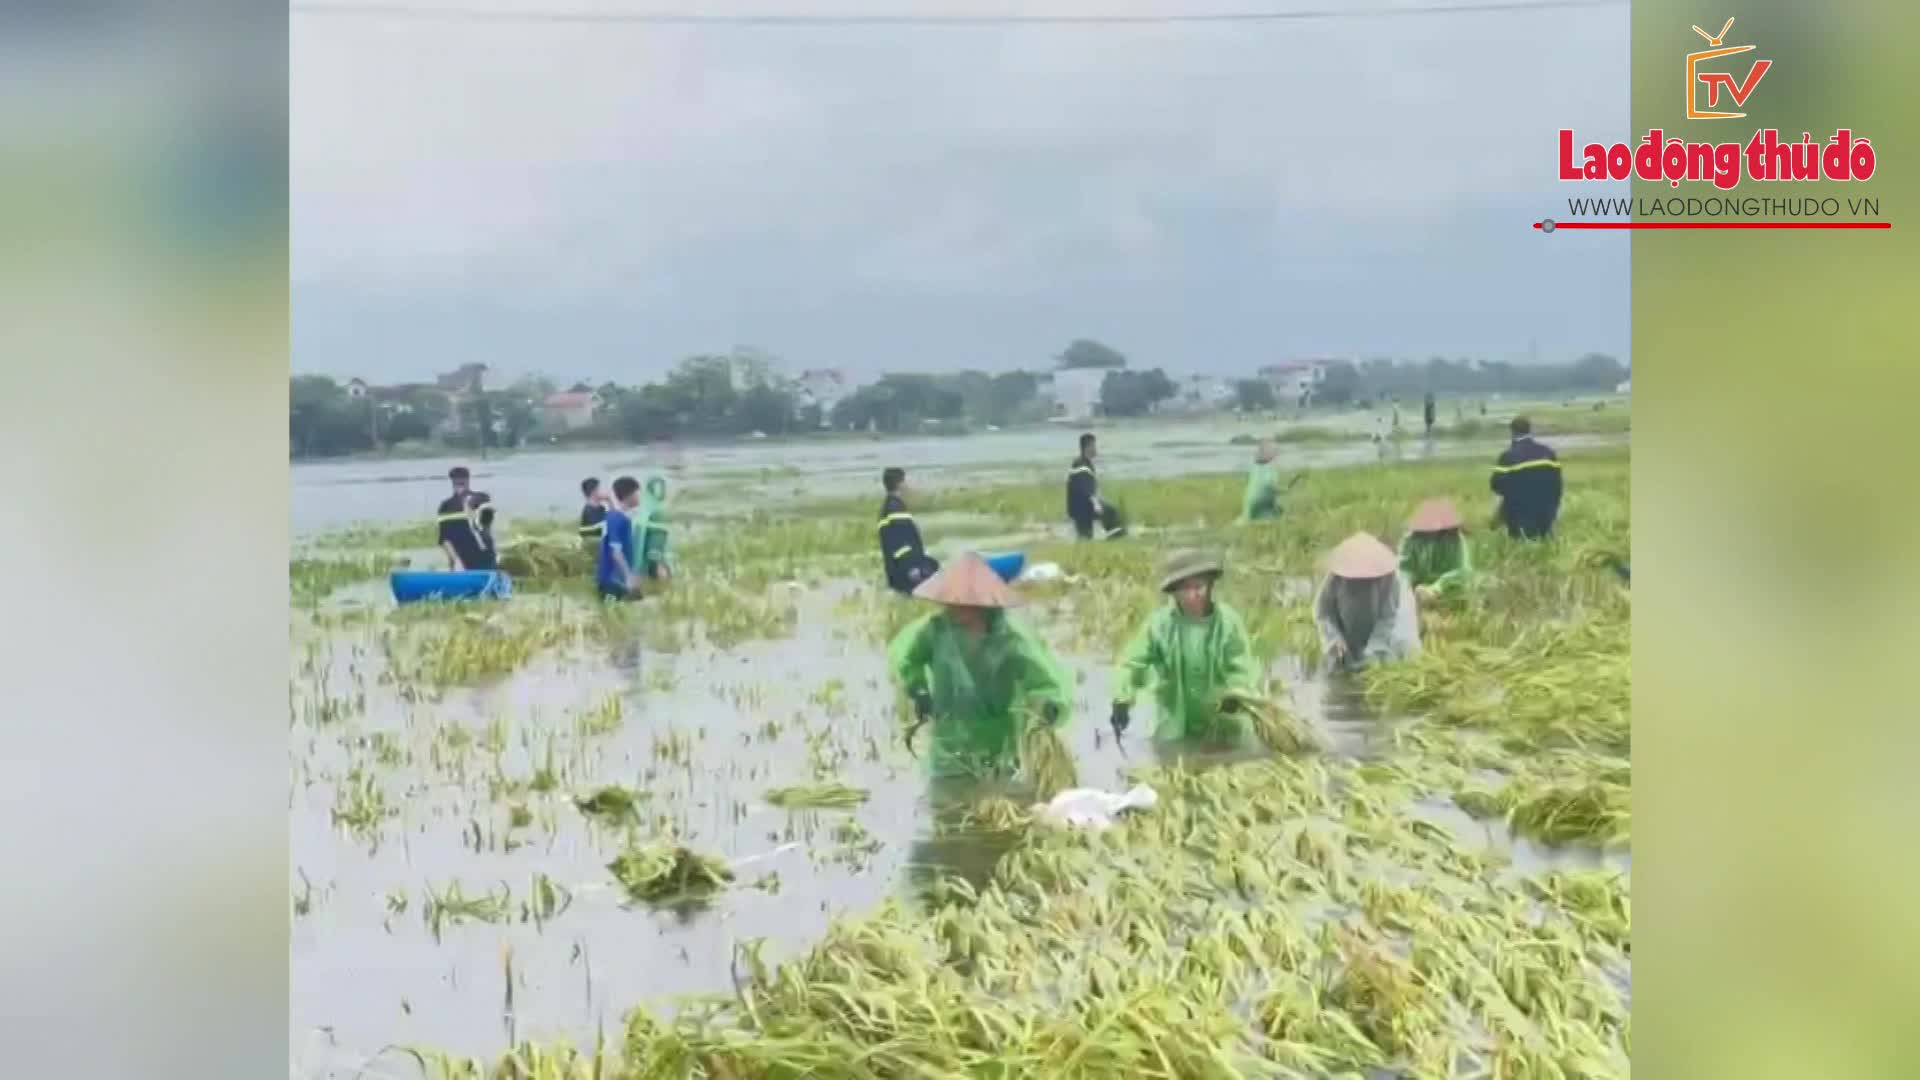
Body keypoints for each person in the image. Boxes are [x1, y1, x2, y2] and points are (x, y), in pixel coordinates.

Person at [887, 553, 1074, 779]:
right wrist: (919, 689)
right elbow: (909, 660)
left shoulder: (1010, 639)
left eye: (964, 605)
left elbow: (1044, 681)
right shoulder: (937, 631)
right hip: (949, 738)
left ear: (983, 604)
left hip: (998, 739)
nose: (956, 609)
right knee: (948, 799)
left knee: (998, 790)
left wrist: (1047, 708)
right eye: (952, 603)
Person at [1109, 550, 1262, 744]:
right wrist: (1122, 700)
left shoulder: (1228, 623)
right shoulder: (1159, 625)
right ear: (1174, 592)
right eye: (1185, 589)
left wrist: (1236, 693)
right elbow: (1131, 664)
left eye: (1199, 586)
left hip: (1225, 726)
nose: (1193, 595)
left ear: (1210, 586)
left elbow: (1242, 667)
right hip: (1174, 727)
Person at [1314, 532, 1421, 672]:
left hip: (1382, 639)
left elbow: (1387, 618)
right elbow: (1324, 613)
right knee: (1340, 674)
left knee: (1380, 671)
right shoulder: (1336, 579)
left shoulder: (1388, 579)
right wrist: (1334, 639)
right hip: (1345, 639)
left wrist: (1374, 649)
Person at [1490, 416, 1562, 539]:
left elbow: (1496, 486)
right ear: (1530, 430)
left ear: (1512, 432)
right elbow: (1557, 484)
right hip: (1547, 511)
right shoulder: (1548, 452)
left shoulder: (1508, 456)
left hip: (1519, 515)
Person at [878, 466, 940, 595]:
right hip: (906, 569)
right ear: (901, 484)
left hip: (897, 569)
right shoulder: (895, 508)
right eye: (908, 482)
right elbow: (902, 543)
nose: (910, 486)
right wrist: (918, 568)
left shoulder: (889, 507)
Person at [1398, 497, 1474, 600]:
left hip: (1449, 590)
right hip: (1417, 588)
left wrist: (1437, 587)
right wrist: (1408, 585)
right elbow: (1404, 567)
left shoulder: (1455, 540)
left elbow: (1462, 571)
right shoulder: (1411, 539)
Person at [1065, 433, 1126, 540]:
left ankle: (1112, 536)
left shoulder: (1084, 463)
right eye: (1094, 446)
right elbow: (1085, 487)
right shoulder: (1081, 465)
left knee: (1086, 535)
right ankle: (1115, 538)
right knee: (1111, 512)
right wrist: (1096, 503)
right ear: (1088, 447)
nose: (1096, 449)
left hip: (1081, 506)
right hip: (1082, 507)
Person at [596, 475, 645, 601]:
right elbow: (616, 552)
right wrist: (628, 576)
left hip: (617, 579)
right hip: (613, 581)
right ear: (630, 495)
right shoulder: (618, 519)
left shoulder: (614, 516)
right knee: (614, 616)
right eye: (638, 493)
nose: (640, 497)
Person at [635, 474, 673, 583]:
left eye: (662, 487)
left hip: (661, 540)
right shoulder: (648, 506)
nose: (660, 491)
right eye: (657, 488)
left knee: (660, 563)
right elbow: (642, 524)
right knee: (657, 563)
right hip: (654, 541)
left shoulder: (660, 505)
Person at [436, 465, 473, 569]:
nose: (460, 486)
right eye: (457, 483)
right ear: (452, 482)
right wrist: (455, 559)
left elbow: (486, 533)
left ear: (468, 481)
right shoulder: (446, 506)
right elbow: (444, 538)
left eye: (463, 482)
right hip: (457, 556)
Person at [1238, 440, 1283, 523]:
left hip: (1249, 505)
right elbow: (1270, 485)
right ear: (1272, 455)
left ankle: (1248, 518)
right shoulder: (1271, 469)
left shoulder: (1253, 468)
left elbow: (1248, 483)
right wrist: (1280, 491)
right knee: (1278, 508)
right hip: (1263, 504)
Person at [577, 477, 609, 546]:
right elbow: (599, 531)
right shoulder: (589, 510)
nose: (605, 491)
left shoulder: (601, 508)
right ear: (594, 492)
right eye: (601, 489)